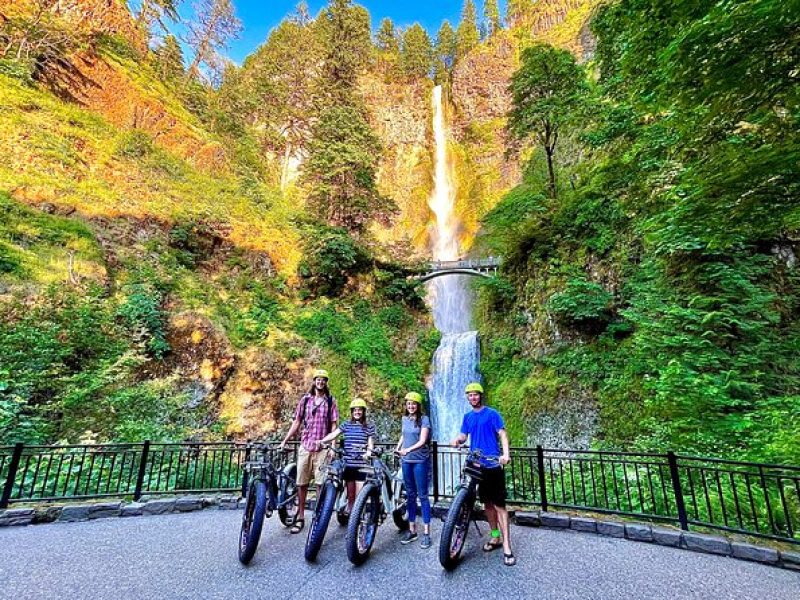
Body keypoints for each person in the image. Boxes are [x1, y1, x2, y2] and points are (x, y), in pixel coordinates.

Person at [450, 382, 515, 566]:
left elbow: (502, 434)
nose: (473, 398)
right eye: (470, 395)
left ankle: (507, 547)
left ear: (481, 395)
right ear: (467, 398)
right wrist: (457, 440)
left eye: (476, 395)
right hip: (475, 464)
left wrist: (505, 454)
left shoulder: (492, 413)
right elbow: (464, 436)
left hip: (493, 464)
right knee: (487, 504)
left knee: (500, 506)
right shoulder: (467, 417)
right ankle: (495, 537)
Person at [280, 369, 339, 534]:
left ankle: (317, 516)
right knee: (301, 483)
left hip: (322, 447)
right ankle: (300, 517)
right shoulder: (305, 400)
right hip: (306, 445)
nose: (320, 382)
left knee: (320, 483)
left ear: (326, 382)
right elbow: (297, 422)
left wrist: (333, 446)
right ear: (314, 381)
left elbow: (334, 425)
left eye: (323, 380)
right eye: (318, 379)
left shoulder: (330, 401)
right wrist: (285, 440)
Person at [319, 398, 375, 515]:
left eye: (360, 410)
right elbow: (334, 434)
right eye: (355, 410)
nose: (357, 412)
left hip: (361, 464)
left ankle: (359, 518)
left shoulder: (369, 426)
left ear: (363, 412)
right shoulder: (346, 424)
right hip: (348, 463)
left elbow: (370, 443)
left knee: (360, 496)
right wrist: (322, 441)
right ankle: (350, 518)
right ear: (352, 412)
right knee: (350, 494)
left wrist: (368, 452)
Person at [395, 391, 432, 549]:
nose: (411, 406)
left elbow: (423, 440)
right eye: (408, 403)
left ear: (418, 406)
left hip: (420, 461)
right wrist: (398, 447)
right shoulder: (404, 419)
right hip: (406, 461)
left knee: (422, 495)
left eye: (413, 404)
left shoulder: (424, 419)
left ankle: (426, 533)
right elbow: (403, 435)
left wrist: (408, 449)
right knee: (410, 495)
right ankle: (412, 530)